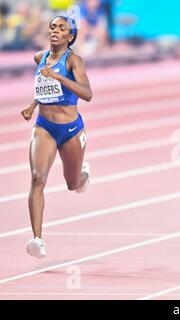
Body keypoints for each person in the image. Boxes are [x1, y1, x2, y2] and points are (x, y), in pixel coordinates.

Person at [20, 16, 93, 258]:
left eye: (62, 28)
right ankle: (37, 239)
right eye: (52, 27)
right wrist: (33, 105)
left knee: (72, 184)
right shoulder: (40, 58)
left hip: (70, 129)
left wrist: (61, 77)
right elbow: (44, 89)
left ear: (70, 36)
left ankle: (82, 174)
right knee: (37, 178)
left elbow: (87, 94)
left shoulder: (74, 61)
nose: (55, 31)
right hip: (44, 127)